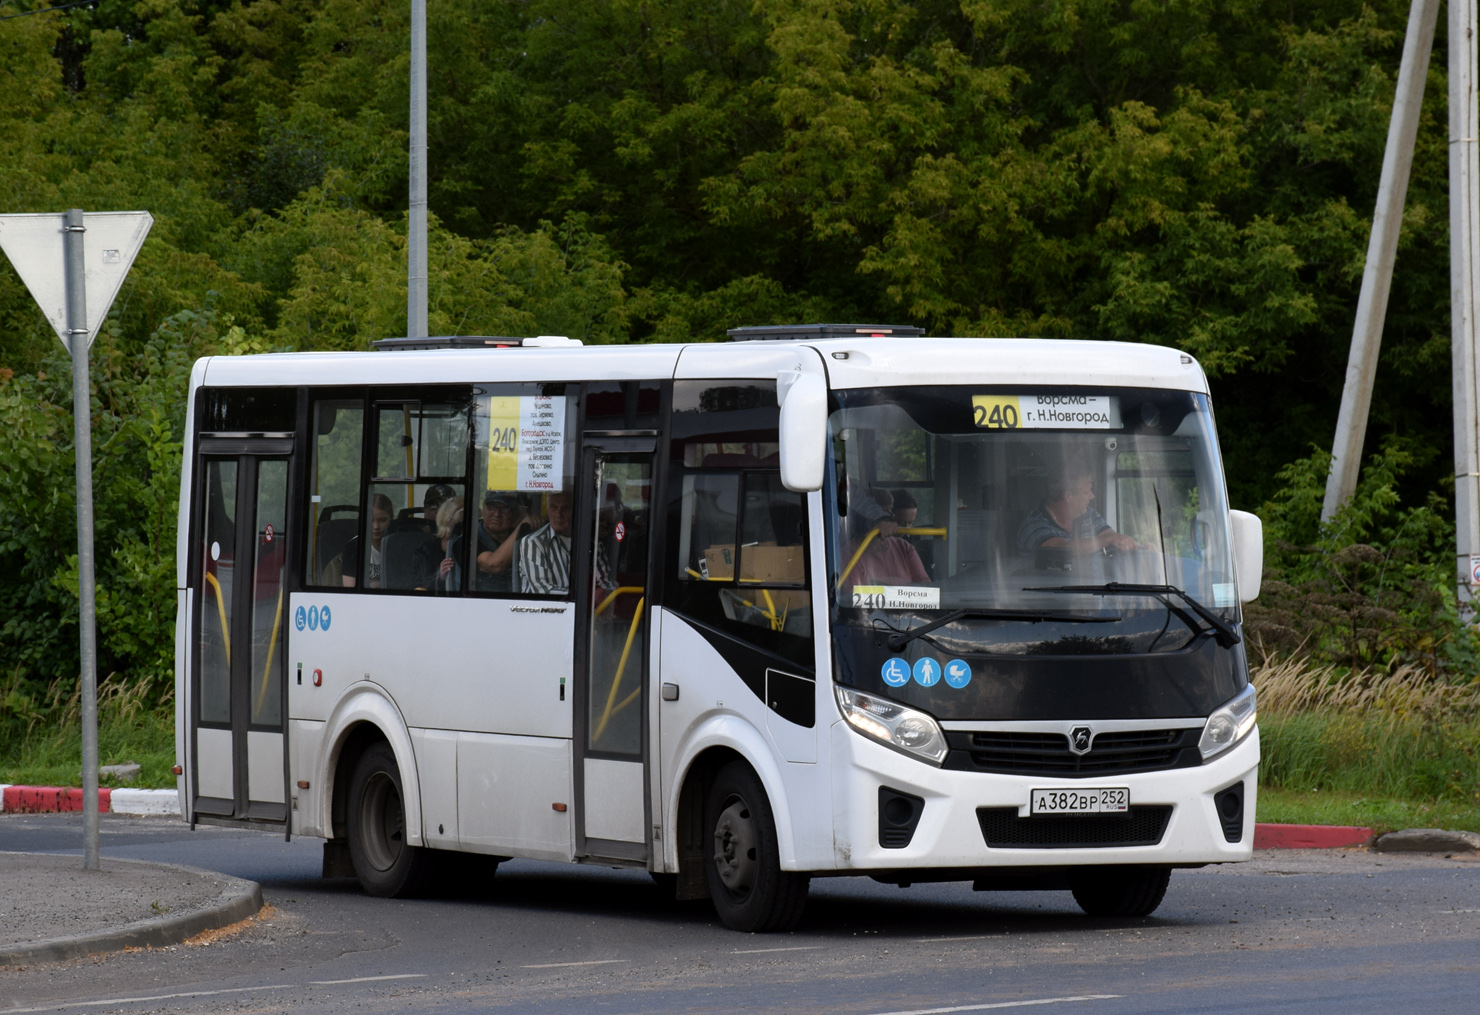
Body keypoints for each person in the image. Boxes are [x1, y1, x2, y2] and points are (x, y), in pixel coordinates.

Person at [1016, 468, 1142, 558]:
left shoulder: (1089, 515)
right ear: (1069, 496)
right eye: (1086, 492)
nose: (1092, 496)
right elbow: (1065, 549)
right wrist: (1107, 539)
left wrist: (1141, 547)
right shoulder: (1033, 526)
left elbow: (1116, 540)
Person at [842, 489, 929, 587]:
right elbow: (850, 598)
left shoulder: (904, 547)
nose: (890, 516)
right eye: (882, 512)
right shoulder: (851, 553)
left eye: (890, 511)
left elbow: (926, 588)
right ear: (866, 515)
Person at [453, 491, 536, 593]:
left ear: (515, 513)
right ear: (483, 507)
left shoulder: (525, 539)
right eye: (491, 507)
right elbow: (493, 565)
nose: (497, 514)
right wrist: (522, 526)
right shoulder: (467, 540)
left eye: (505, 508)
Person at [519, 490, 574, 595]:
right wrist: (582, 597)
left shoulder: (590, 541)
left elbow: (605, 583)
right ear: (548, 510)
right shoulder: (533, 542)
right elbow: (542, 591)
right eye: (553, 507)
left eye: (565, 509)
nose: (558, 514)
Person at [342, 493, 394, 588]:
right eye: (371, 520)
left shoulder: (398, 546)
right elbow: (350, 589)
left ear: (392, 520)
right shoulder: (354, 547)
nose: (376, 526)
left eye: (382, 520)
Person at [889, 488, 936, 577]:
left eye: (910, 523)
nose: (906, 529)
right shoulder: (871, 544)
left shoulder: (907, 546)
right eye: (900, 522)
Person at [435, 495, 464, 591]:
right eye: (462, 518)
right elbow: (422, 584)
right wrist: (440, 576)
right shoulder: (428, 549)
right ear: (448, 521)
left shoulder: (473, 544)